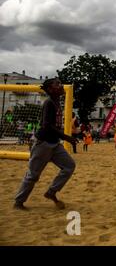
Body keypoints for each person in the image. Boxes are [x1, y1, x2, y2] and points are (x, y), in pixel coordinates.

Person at [13, 78, 78, 210]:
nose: (60, 86)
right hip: (43, 144)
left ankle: (51, 192)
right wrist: (66, 137)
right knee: (33, 175)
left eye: (60, 83)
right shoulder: (48, 103)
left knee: (69, 166)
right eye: (57, 84)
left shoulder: (57, 102)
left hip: (55, 144)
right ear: (49, 89)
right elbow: (47, 125)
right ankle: (18, 202)